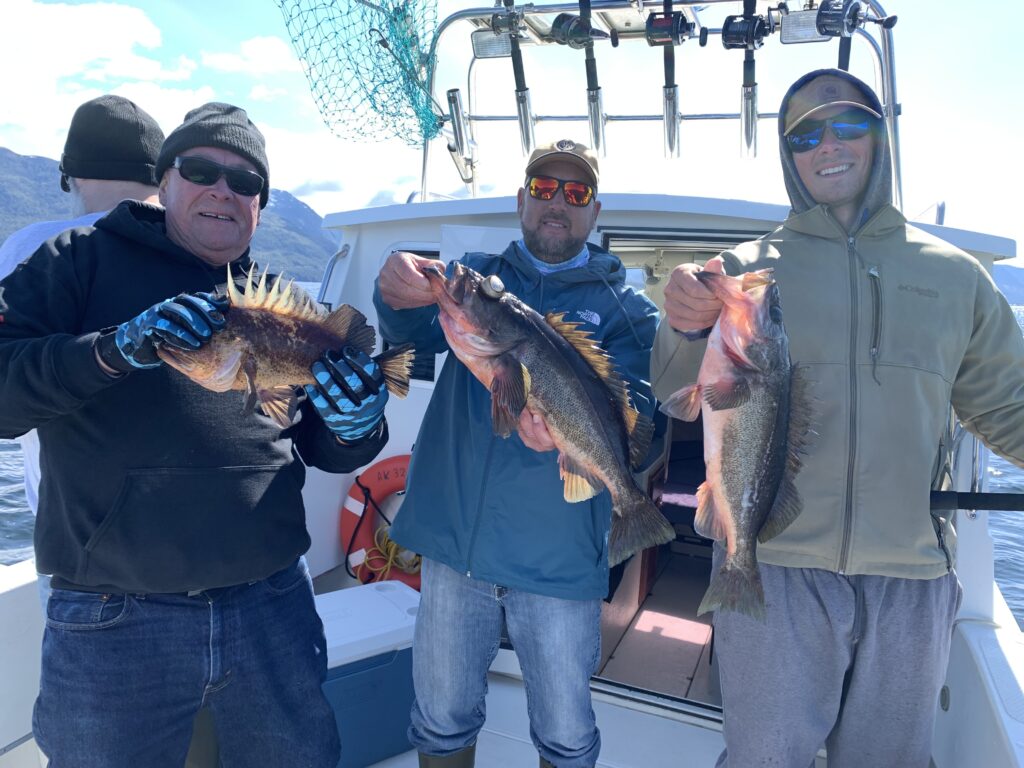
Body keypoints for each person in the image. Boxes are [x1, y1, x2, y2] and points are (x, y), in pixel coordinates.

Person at [0, 102, 393, 767]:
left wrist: (360, 428)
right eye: (202, 169)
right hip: (116, 622)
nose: (224, 190)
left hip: (273, 608)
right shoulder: (76, 262)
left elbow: (324, 444)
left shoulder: (275, 297)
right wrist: (110, 350)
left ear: (260, 207)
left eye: (245, 183)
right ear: (166, 180)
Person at [650, 68, 1024, 767]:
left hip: (912, 577)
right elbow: (674, 390)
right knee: (763, 756)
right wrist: (681, 322)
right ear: (788, 156)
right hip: (776, 565)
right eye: (805, 134)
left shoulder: (957, 276)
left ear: (880, 136)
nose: (829, 144)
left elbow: (1008, 408)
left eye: (849, 124)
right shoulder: (742, 270)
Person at [374, 139, 659, 768]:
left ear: (595, 210)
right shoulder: (470, 273)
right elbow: (410, 346)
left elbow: (644, 414)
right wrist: (393, 294)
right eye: (544, 186)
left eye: (575, 192)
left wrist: (587, 448)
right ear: (522, 198)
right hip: (453, 551)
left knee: (565, 735)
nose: (558, 200)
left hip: (559, 566)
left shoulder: (630, 310)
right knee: (440, 722)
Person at [0, 95, 164, 607]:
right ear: (164, 178)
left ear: (68, 174)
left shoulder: (32, 248)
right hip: (213, 547)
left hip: (86, 557)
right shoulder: (198, 250)